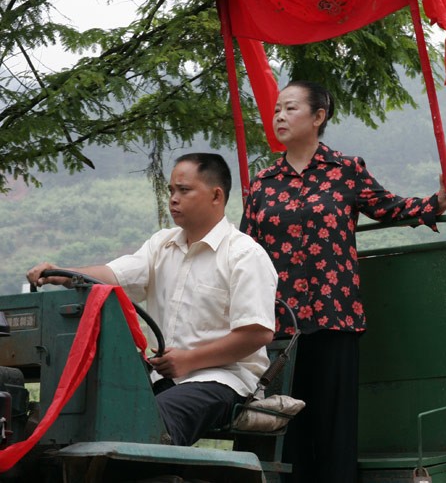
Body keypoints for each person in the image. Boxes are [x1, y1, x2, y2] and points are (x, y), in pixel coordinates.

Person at [239, 80, 446, 483]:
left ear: (318, 116)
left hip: (335, 316)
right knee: (285, 431)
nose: (280, 117)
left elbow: (389, 207)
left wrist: (437, 201)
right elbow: (245, 252)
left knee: (335, 428)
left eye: (290, 108)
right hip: (279, 323)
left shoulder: (346, 170)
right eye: (276, 110)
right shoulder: (263, 184)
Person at [27, 153, 277, 447]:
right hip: (165, 381)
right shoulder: (162, 244)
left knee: (149, 421)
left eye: (184, 190)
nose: (173, 199)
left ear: (216, 195)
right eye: (171, 190)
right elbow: (114, 276)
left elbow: (257, 333)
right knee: (88, 414)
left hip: (225, 380)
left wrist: (189, 359)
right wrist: (62, 274)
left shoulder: (244, 254)